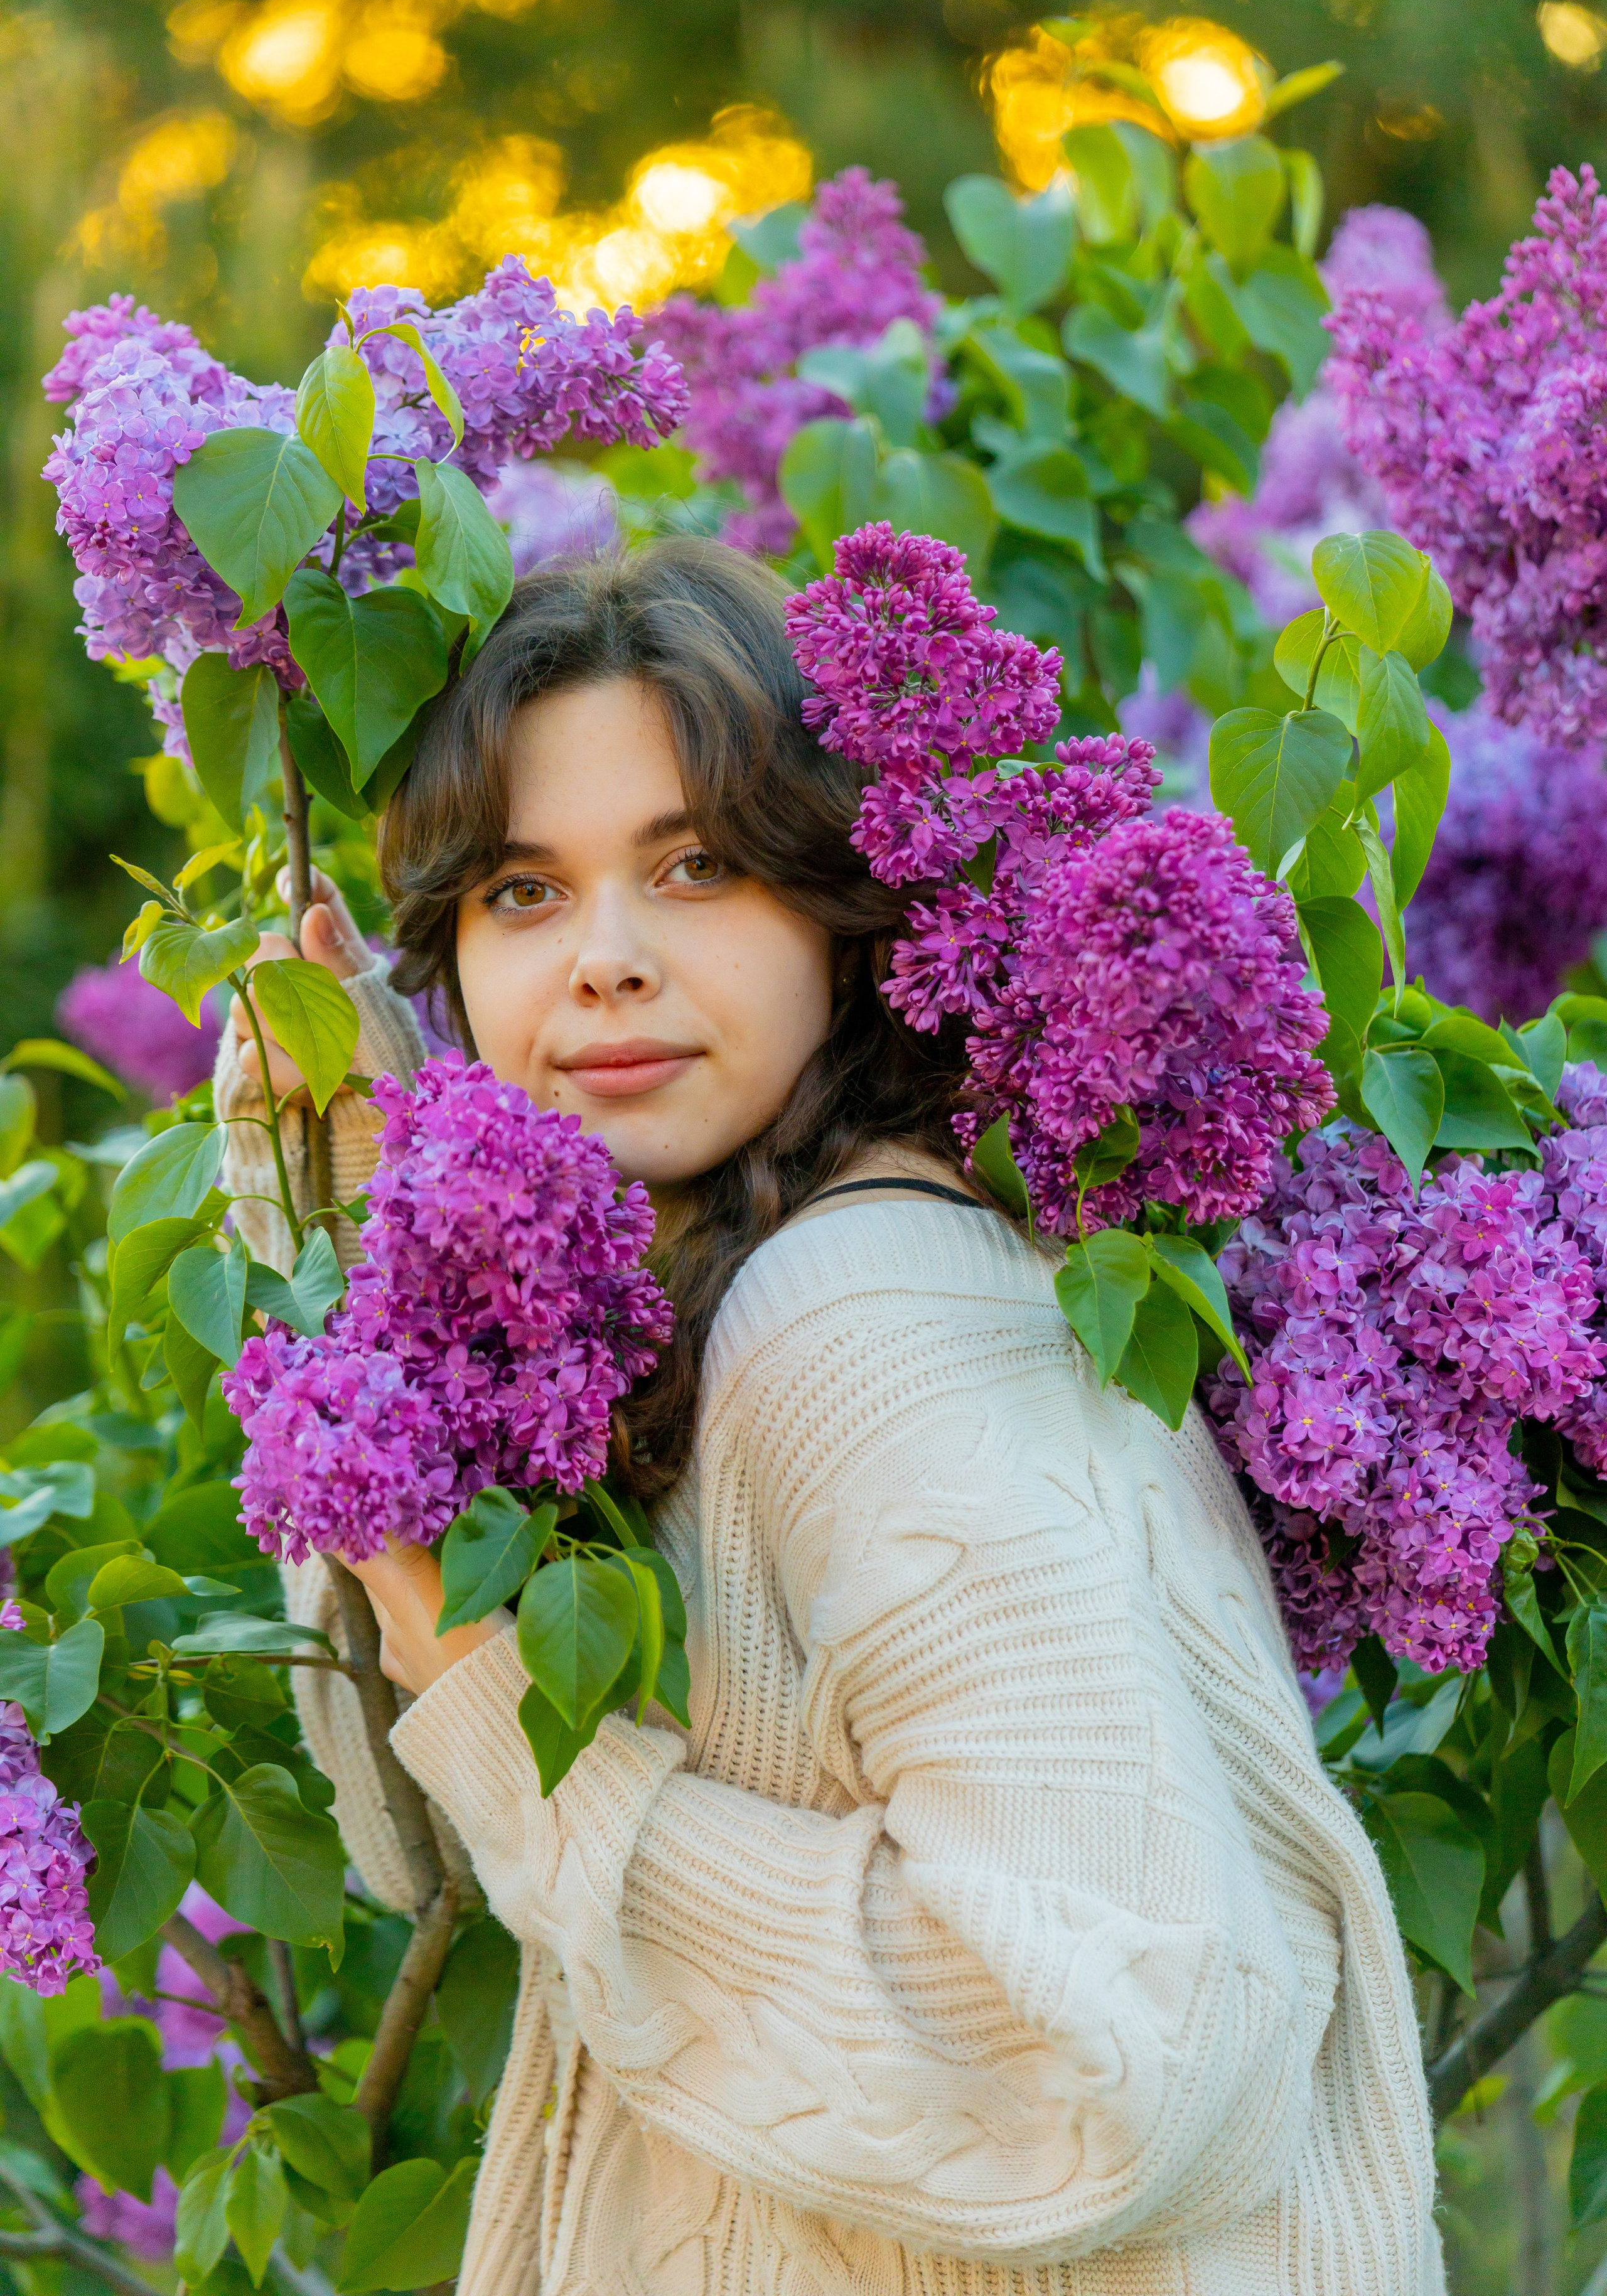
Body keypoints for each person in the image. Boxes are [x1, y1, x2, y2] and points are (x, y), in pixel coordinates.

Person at [215, 539, 1441, 2296]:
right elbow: (422, 1848)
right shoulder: (718, 1278)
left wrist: (479, 1673)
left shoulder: (859, 1319)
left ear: (842, 903)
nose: (607, 965)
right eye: (523, 892)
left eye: (696, 866)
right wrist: (357, 1223)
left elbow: (1106, 2064)